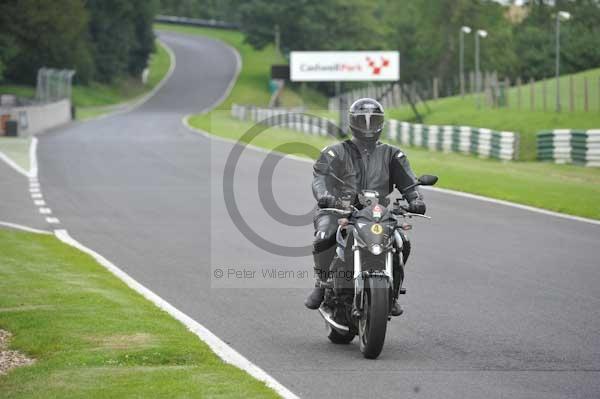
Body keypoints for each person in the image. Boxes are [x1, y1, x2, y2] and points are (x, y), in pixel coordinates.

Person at [304, 98, 426, 316]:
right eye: (363, 120)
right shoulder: (335, 152)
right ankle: (322, 283)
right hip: (339, 210)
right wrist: (325, 196)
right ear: (353, 122)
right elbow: (319, 178)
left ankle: (392, 293)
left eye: (373, 120)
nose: (368, 126)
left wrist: (415, 199)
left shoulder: (393, 154)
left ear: (381, 123)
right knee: (324, 236)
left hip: (378, 214)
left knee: (402, 243)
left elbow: (409, 183)